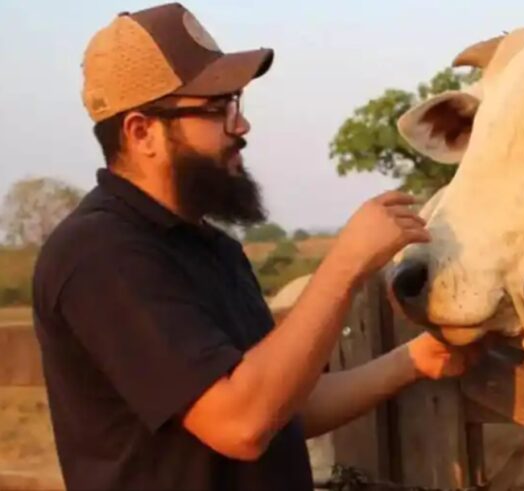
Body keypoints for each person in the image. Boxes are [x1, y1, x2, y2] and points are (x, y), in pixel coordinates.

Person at [31, 3, 476, 490]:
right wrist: (345, 264)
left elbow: (285, 405)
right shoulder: (99, 255)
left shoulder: (212, 249)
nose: (241, 127)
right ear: (143, 133)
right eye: (218, 108)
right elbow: (241, 423)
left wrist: (414, 360)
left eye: (235, 103)